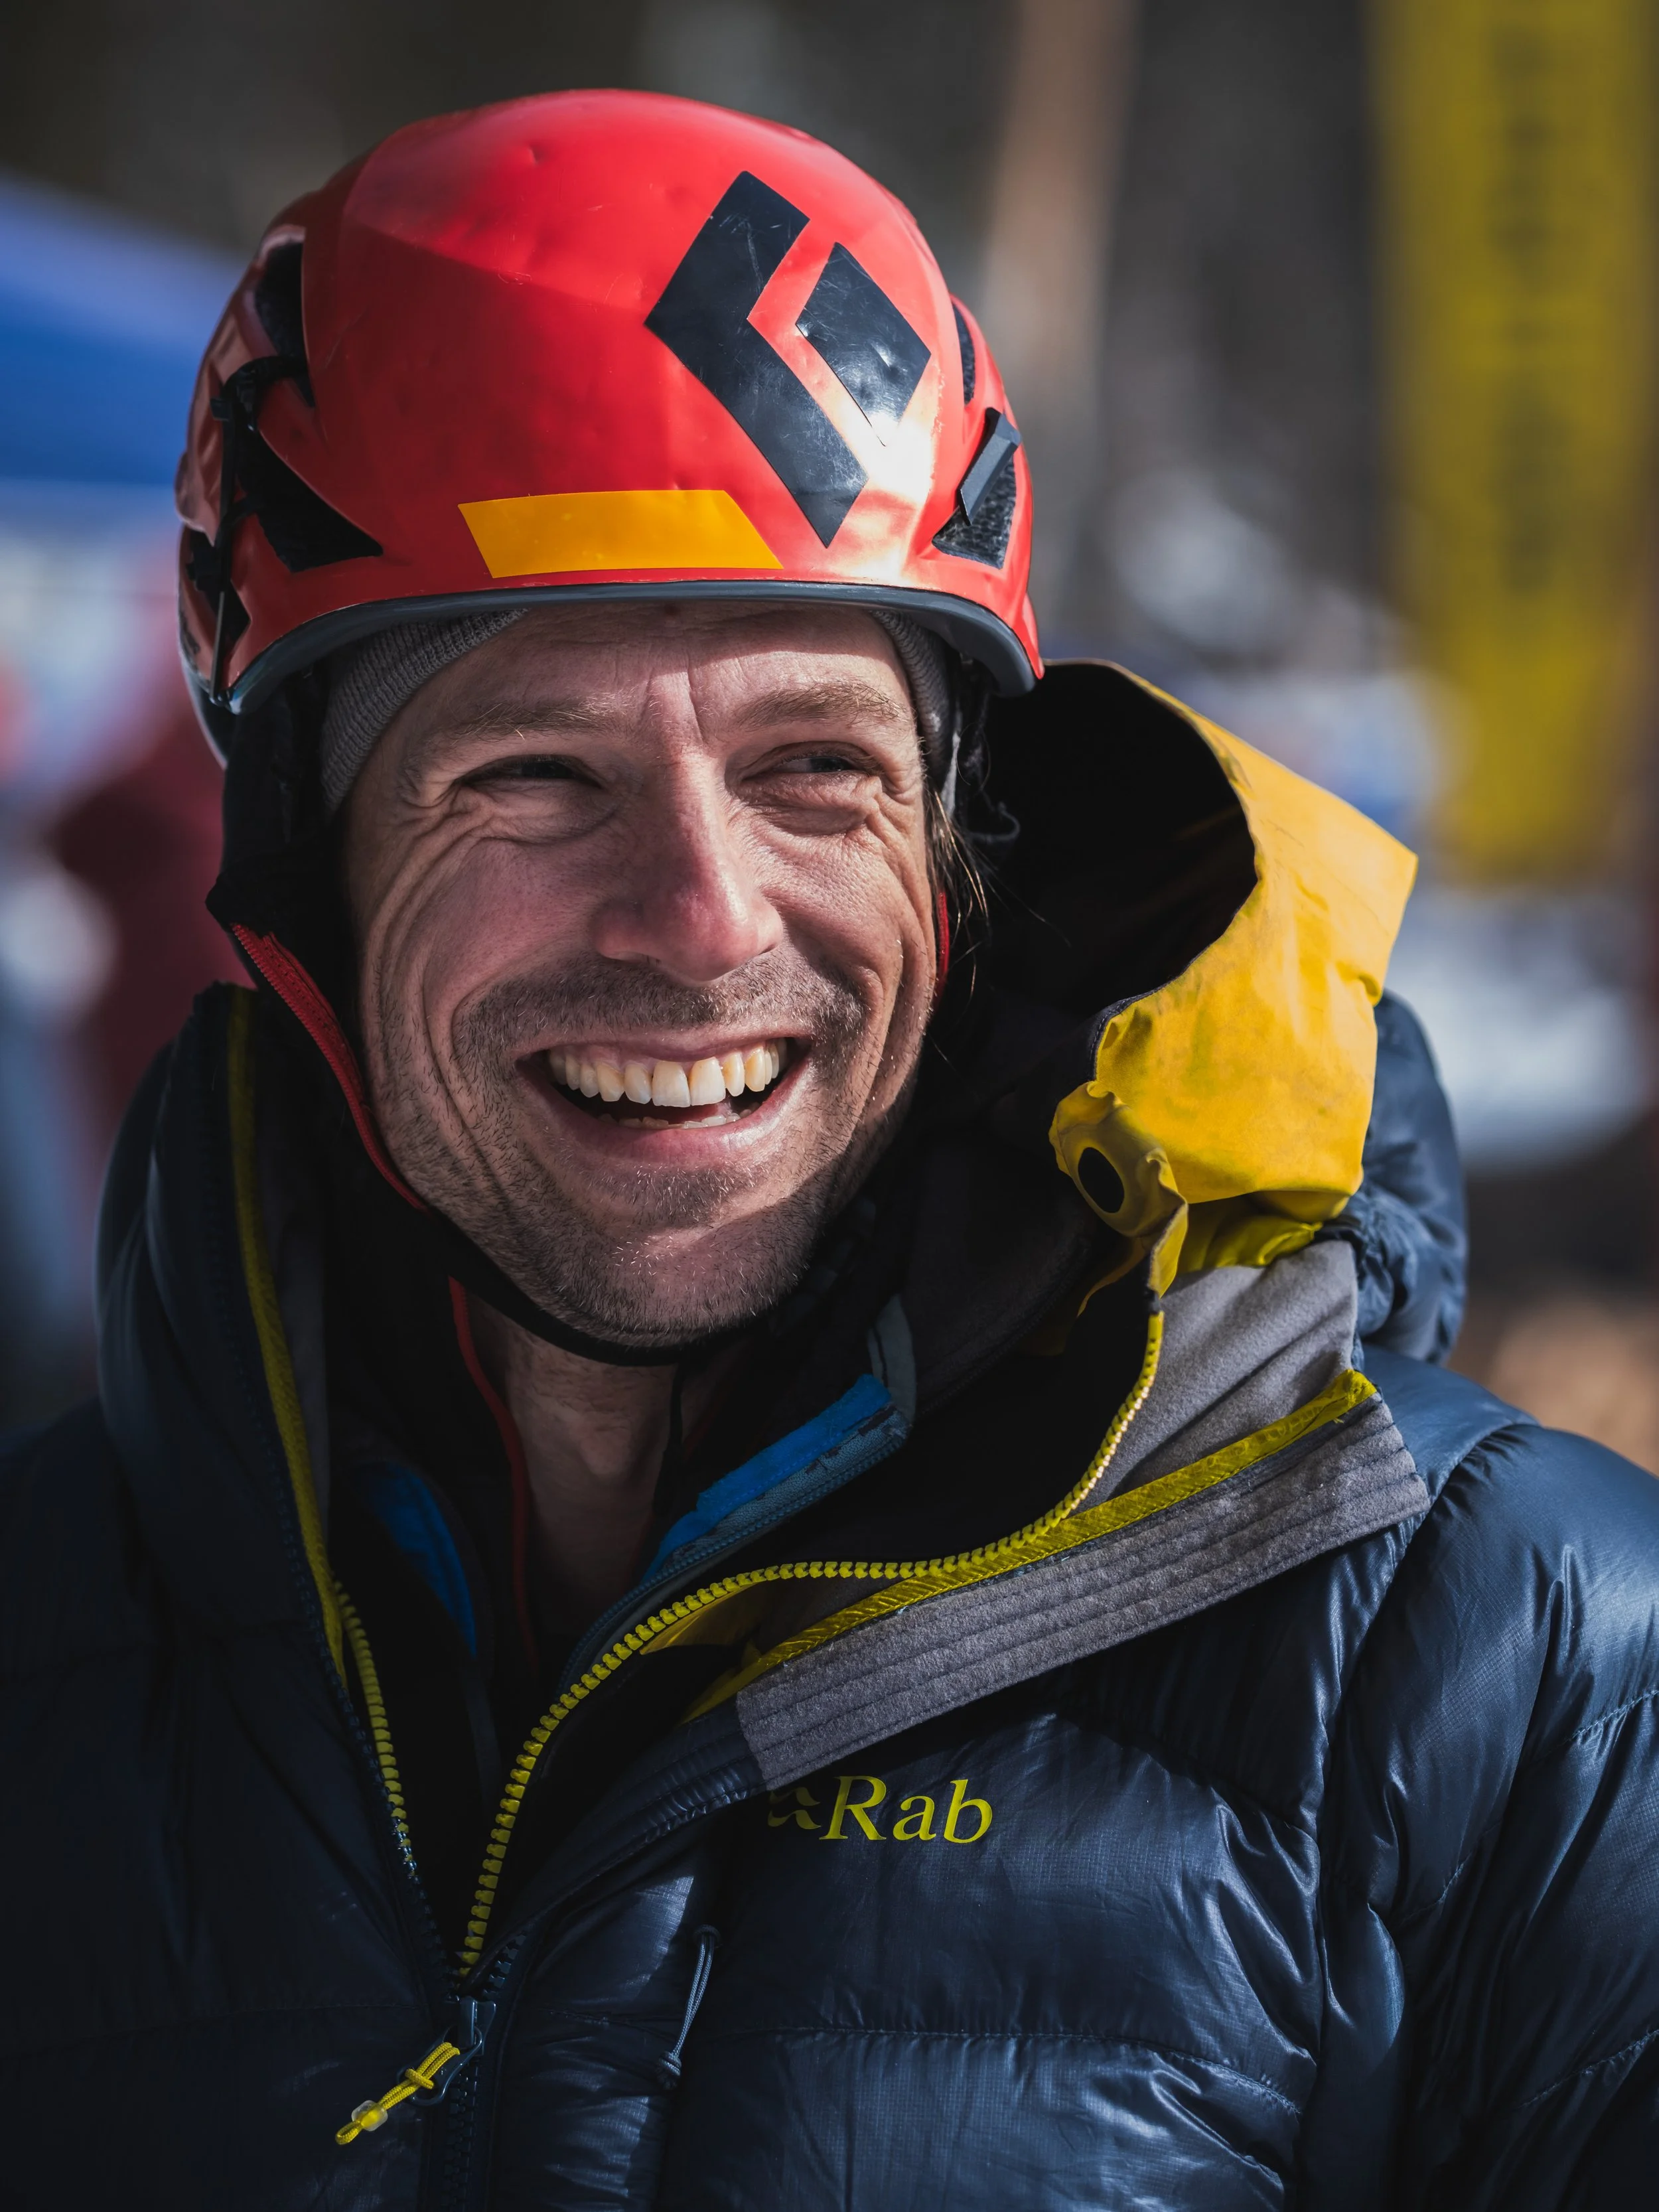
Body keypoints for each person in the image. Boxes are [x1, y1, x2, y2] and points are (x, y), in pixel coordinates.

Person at [3, 90, 1656, 2212]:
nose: (700, 921)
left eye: (815, 768)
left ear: (964, 850)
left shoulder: (1503, 1678)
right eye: (528, 774)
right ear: (306, 878)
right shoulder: (45, 1654)